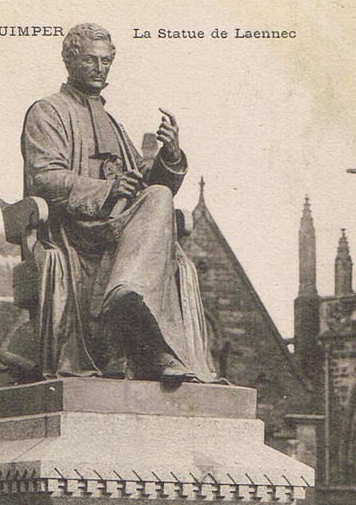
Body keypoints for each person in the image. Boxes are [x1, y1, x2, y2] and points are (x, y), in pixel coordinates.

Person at [20, 23, 219, 382]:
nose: (100, 68)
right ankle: (144, 330)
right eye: (91, 60)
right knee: (155, 215)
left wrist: (170, 155)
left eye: (106, 61)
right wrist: (107, 190)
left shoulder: (112, 122)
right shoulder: (47, 112)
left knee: (159, 195)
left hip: (119, 228)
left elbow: (150, 187)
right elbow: (44, 178)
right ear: (70, 61)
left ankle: (126, 296)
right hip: (76, 230)